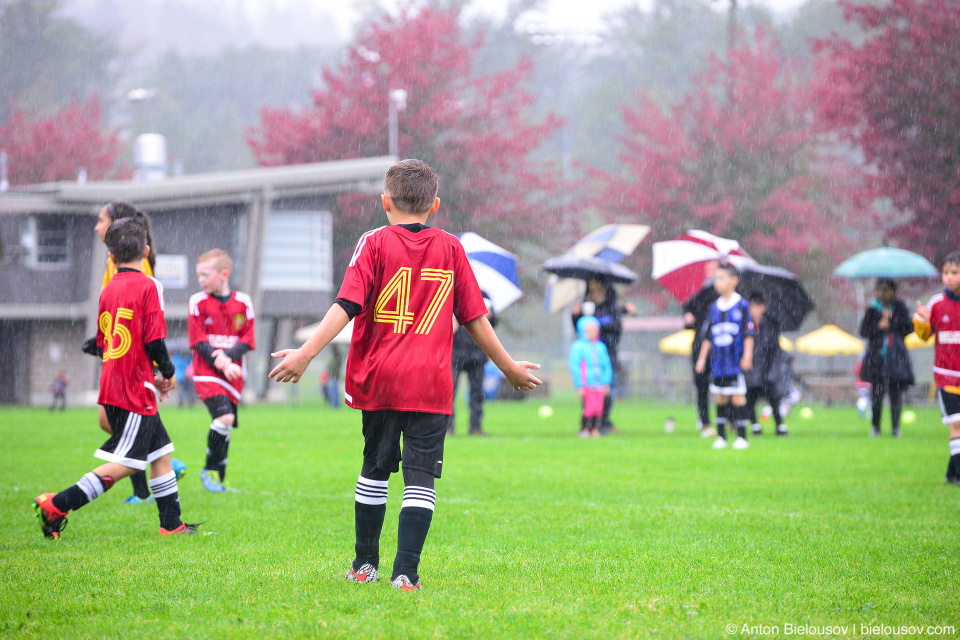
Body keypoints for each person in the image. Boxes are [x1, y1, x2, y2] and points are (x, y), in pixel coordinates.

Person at [268, 159, 542, 592]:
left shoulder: (373, 243)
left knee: (375, 469)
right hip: (431, 383)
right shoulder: (451, 248)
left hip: (380, 379)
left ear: (385, 202)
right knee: (420, 477)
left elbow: (346, 304)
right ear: (435, 205)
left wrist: (306, 353)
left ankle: (364, 566)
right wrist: (507, 366)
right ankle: (405, 574)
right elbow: (473, 315)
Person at [33, 218, 211, 538]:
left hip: (115, 382)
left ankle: (172, 524)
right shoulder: (149, 286)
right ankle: (57, 504)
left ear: (111, 257)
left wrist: (148, 372)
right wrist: (167, 373)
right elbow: (154, 339)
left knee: (161, 453)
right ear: (145, 251)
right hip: (132, 390)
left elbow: (105, 343)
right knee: (130, 463)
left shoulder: (108, 289)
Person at [83, 202, 185, 505]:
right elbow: (139, 327)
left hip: (129, 367)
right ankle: (60, 503)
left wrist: (157, 367)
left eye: (101, 221)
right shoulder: (119, 272)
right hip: (127, 367)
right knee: (135, 448)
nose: (97, 226)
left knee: (147, 447)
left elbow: (145, 324)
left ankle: (160, 510)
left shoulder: (133, 277)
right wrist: (166, 371)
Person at [188, 249, 255, 492]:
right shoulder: (197, 302)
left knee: (226, 428)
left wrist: (228, 359)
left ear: (224, 274)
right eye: (199, 275)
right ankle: (208, 470)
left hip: (233, 378)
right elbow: (198, 340)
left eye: (206, 275)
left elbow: (247, 339)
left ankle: (221, 480)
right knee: (224, 418)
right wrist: (222, 362)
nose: (201, 280)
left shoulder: (244, 302)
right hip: (206, 374)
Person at [695, 264, 754, 450]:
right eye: (716, 278)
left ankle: (742, 437)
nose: (717, 282)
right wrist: (702, 358)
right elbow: (707, 337)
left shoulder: (742, 305)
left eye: (721, 278)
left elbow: (748, 334)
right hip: (718, 363)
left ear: (733, 281)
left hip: (735, 363)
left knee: (738, 398)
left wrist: (747, 355)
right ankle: (721, 436)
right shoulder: (713, 308)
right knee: (720, 397)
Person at [913, 251, 960, 484]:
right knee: (957, 423)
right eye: (946, 273)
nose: (949, 277)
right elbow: (924, 336)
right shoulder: (937, 304)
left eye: (955, 273)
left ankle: (952, 473)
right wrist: (921, 321)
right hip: (947, 376)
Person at [571, 277, 636, 433]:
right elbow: (580, 328)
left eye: (596, 284)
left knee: (608, 389)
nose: (593, 287)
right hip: (588, 355)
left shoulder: (611, 307)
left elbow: (616, 327)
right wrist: (575, 315)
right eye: (591, 284)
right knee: (589, 394)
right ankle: (589, 425)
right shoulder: (585, 305)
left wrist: (602, 322)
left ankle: (602, 422)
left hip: (606, 351)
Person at [859, 278, 914, 437]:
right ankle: (875, 427)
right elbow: (864, 331)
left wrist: (892, 320)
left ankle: (895, 427)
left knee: (895, 394)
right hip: (877, 358)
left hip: (896, 358)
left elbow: (909, 328)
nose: (882, 294)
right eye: (879, 290)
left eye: (886, 290)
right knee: (876, 394)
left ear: (893, 291)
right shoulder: (872, 310)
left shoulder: (900, 308)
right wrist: (878, 326)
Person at [447, 293, 497, 436]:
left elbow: (494, 321)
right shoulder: (452, 294)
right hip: (455, 354)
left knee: (477, 394)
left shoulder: (485, 294)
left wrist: (489, 317)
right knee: (450, 393)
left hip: (477, 354)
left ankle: (475, 428)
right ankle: (449, 427)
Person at [745, 292, 789, 437]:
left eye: (757, 306)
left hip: (767, 368)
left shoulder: (771, 326)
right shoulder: (745, 326)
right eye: (751, 306)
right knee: (750, 398)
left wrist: (771, 372)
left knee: (773, 398)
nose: (754, 310)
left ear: (763, 307)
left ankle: (779, 425)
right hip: (751, 369)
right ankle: (755, 424)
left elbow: (776, 350)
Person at [568, 315, 613, 438]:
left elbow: (606, 366)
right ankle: (585, 428)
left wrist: (606, 382)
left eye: (594, 330)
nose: (592, 333)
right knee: (588, 408)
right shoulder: (578, 347)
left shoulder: (600, 347)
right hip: (587, 384)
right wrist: (579, 385)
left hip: (599, 384)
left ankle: (596, 428)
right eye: (589, 330)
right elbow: (575, 367)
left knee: (598, 408)